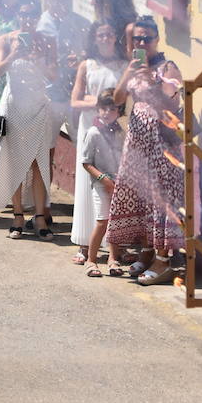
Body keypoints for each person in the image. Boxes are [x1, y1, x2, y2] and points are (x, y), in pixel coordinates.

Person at [105, 17, 185, 286]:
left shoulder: (167, 67)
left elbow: (172, 106)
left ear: (157, 40)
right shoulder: (134, 68)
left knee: (159, 200)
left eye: (146, 39)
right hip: (138, 144)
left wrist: (151, 83)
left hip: (161, 145)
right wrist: (130, 74)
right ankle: (147, 251)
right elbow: (116, 100)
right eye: (137, 39)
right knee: (142, 199)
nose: (141, 43)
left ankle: (163, 259)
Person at [0, 0, 57, 239]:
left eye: (32, 14)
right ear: (18, 15)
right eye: (24, 14)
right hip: (14, 103)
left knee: (39, 163)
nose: (28, 19)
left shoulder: (47, 40)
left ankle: (40, 217)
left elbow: (54, 75)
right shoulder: (6, 40)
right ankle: (17, 215)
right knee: (13, 159)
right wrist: (13, 55)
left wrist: (38, 58)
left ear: (38, 16)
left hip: (38, 104)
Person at [69, 21, 124, 264]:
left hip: (113, 129)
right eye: (100, 35)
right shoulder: (86, 65)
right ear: (95, 38)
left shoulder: (123, 66)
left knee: (112, 180)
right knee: (86, 183)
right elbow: (75, 101)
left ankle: (112, 246)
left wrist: (108, 106)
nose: (105, 38)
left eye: (110, 34)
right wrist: (99, 104)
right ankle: (83, 243)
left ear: (115, 37)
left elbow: (125, 100)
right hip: (90, 126)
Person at [80, 93, 126, 277]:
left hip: (118, 183)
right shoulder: (93, 133)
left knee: (115, 222)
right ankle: (91, 260)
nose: (107, 113)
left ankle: (112, 259)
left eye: (112, 109)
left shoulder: (121, 132)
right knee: (102, 221)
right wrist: (103, 180)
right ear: (98, 109)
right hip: (101, 184)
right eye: (103, 108)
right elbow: (86, 162)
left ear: (119, 111)